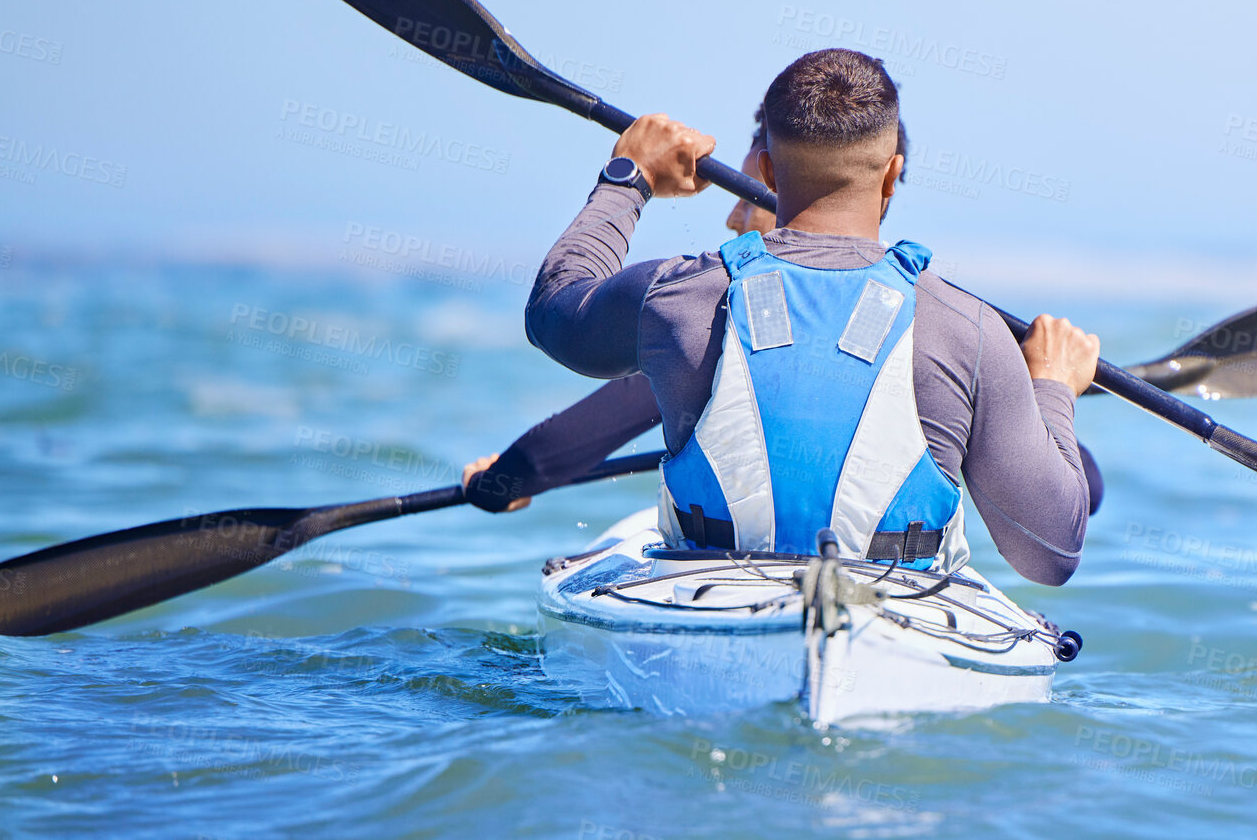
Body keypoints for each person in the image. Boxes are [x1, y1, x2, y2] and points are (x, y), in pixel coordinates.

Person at [467, 49, 1099, 583]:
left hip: (714, 592)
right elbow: (1052, 551)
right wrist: (1051, 392)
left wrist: (627, 176)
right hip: (896, 616)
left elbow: (555, 312)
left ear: (766, 169)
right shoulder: (970, 329)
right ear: (892, 177)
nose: (734, 216)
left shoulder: (682, 300)